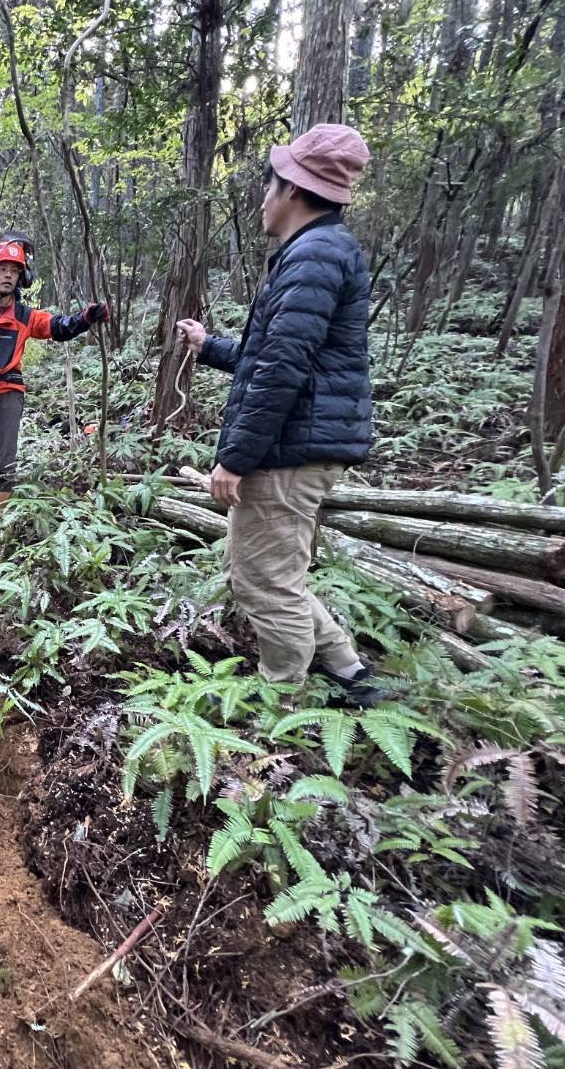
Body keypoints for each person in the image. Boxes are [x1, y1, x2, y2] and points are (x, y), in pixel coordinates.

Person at [176, 123, 389, 706]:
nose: (263, 200)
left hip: (290, 448)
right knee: (276, 572)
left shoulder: (314, 255)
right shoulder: (317, 253)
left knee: (262, 578)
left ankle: (282, 706)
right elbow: (274, 355)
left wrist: (235, 458)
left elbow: (282, 371)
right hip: (303, 441)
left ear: (292, 189)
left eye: (269, 186)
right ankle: (348, 670)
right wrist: (209, 345)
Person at [0, 231, 109, 516]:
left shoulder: (25, 316)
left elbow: (58, 327)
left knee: (5, 466)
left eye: (14, 271)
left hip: (8, 394)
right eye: (2, 269)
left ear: (22, 278)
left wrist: (85, 318)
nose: (8, 276)